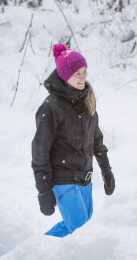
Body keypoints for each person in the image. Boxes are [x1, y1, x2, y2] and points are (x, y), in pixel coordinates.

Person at [31, 43, 115, 237]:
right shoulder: (51, 107)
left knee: (78, 228)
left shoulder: (86, 102)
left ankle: (38, 252)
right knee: (79, 229)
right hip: (63, 178)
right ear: (65, 75)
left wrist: (107, 171)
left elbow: (97, 142)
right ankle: (35, 257)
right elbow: (39, 151)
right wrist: (43, 190)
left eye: (84, 71)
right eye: (77, 73)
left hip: (84, 177)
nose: (83, 77)